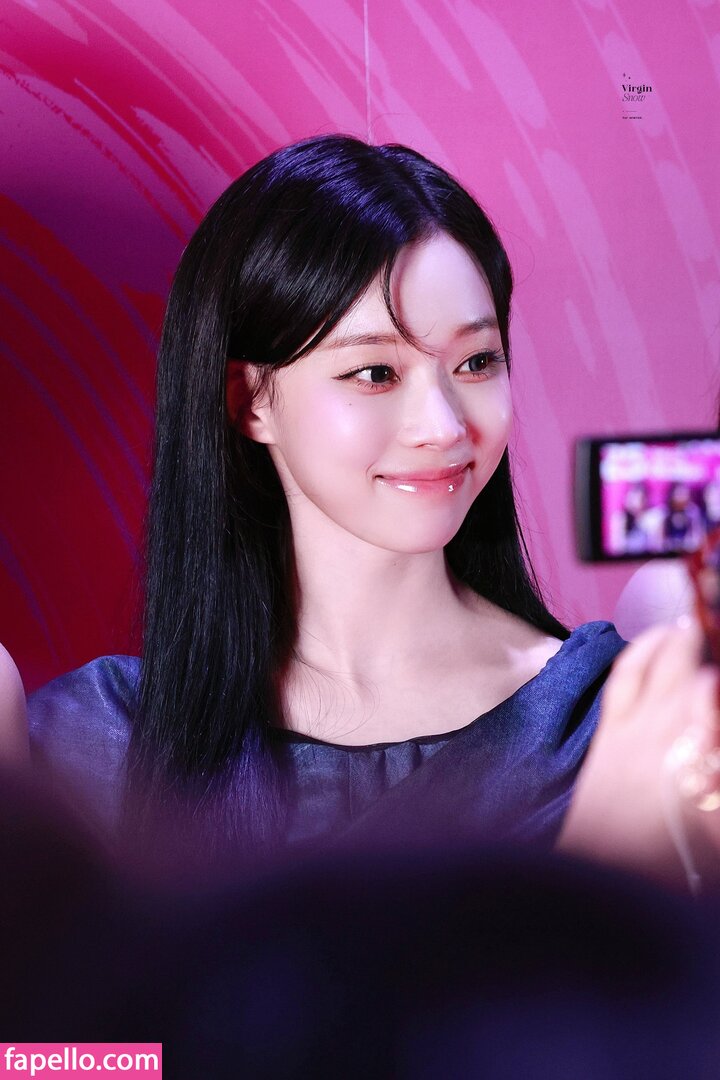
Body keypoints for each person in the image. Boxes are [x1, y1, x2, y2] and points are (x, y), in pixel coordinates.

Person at [30, 134, 629, 863]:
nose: (443, 427)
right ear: (250, 400)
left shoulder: (612, 723)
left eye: (476, 362)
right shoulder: (92, 746)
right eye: (375, 374)